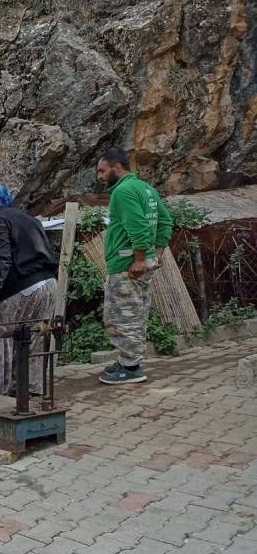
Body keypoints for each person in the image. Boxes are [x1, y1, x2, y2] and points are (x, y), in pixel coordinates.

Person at [96, 148, 173, 385]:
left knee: (121, 316)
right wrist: (157, 252)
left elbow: (137, 227)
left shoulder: (123, 191)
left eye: (102, 170)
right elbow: (165, 221)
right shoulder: (146, 189)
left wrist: (139, 260)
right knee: (136, 314)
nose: (99, 176)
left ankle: (130, 369)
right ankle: (128, 361)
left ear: (117, 167)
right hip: (140, 263)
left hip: (127, 265)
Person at [0, 185, 58, 396]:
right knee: (33, 334)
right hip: (48, 284)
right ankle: (30, 387)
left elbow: (0, 256)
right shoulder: (31, 220)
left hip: (23, 286)